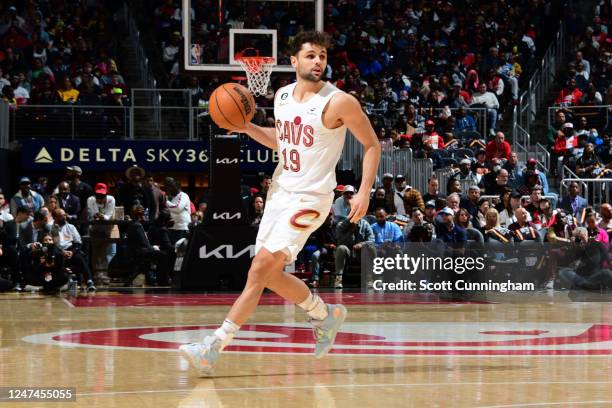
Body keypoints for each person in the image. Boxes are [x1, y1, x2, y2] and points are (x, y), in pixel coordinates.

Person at [179, 31, 380, 376]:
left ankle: (213, 347)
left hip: (311, 198)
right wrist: (246, 127)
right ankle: (323, 315)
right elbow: (282, 142)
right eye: (311, 55)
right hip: (280, 193)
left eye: (322, 56)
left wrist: (364, 191)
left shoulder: (339, 102)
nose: (318, 61)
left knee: (258, 269)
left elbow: (372, 144)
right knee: (269, 275)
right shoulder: (283, 96)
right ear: (294, 61)